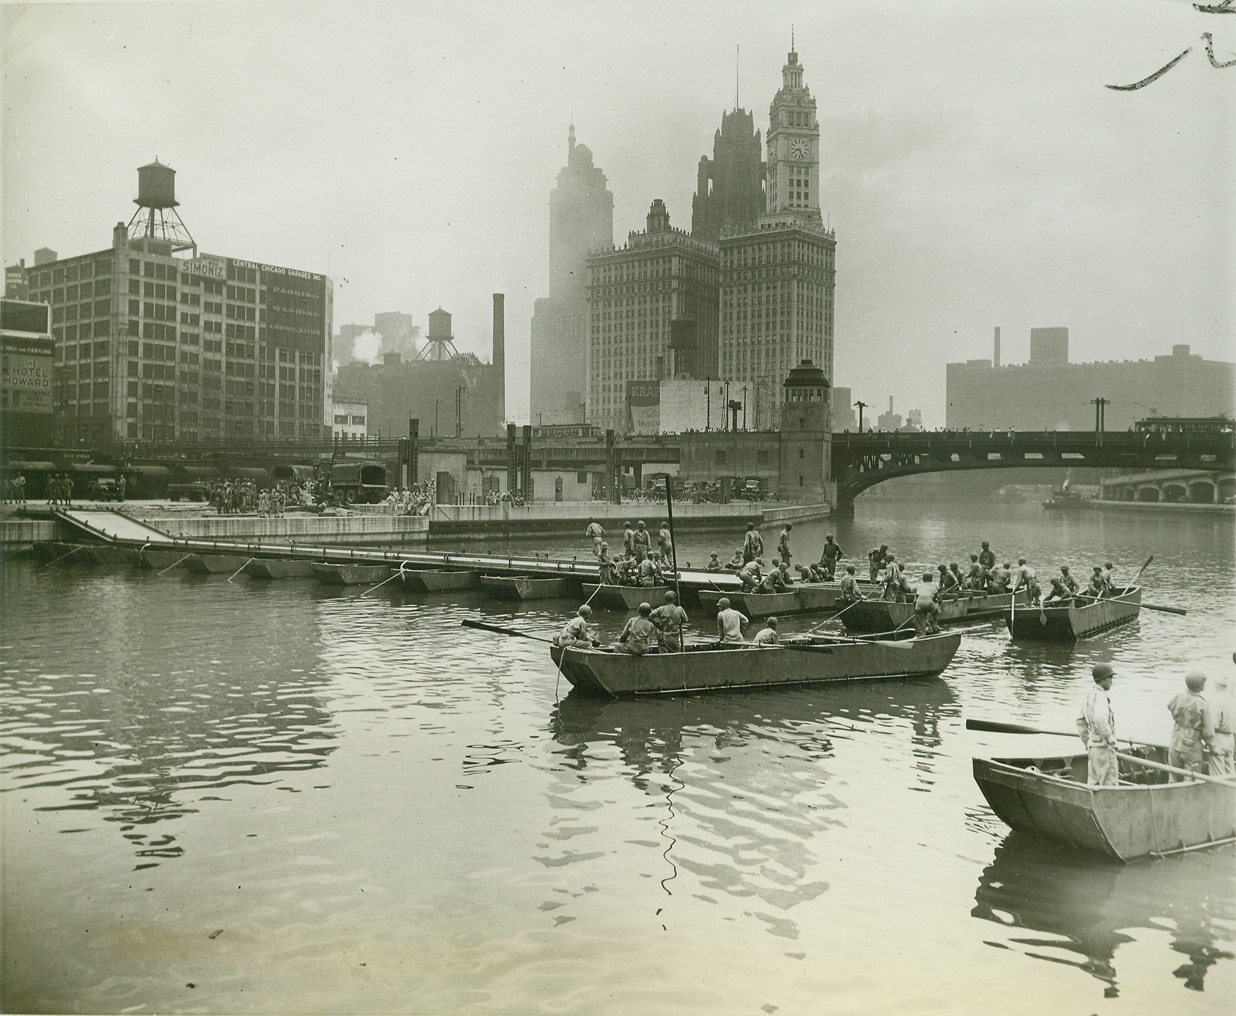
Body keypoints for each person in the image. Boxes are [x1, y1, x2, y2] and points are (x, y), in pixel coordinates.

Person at [1075, 663, 1119, 786]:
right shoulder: (1100, 696)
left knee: (1094, 783)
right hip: (1104, 748)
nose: (1111, 681)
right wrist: (1110, 738)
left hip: (1092, 748)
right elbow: (1100, 718)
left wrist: (1087, 743)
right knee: (1109, 784)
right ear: (1102, 679)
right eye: (1110, 678)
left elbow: (1080, 722)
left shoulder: (1089, 695)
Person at [1167, 671, 1215, 780]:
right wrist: (1212, 746)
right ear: (1201, 686)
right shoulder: (1203, 705)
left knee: (1174, 778)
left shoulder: (1179, 696)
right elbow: (1208, 733)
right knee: (1191, 781)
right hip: (1192, 746)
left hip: (1175, 740)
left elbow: (1169, 705)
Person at [1210, 670, 1234, 776]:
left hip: (1219, 738)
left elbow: (1213, 724)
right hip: (1231, 738)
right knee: (1230, 771)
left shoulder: (1216, 700)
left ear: (1217, 686)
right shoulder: (1233, 700)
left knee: (1218, 775)